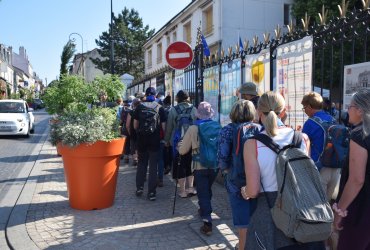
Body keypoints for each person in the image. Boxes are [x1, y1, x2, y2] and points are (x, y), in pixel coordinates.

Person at [241, 91, 312, 249]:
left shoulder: (252, 144)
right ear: (284, 111)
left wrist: (244, 191)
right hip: (299, 211)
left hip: (268, 212)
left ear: (259, 112)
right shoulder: (302, 138)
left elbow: (253, 191)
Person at [217, 100, 261, 250]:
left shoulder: (227, 130)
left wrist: (226, 170)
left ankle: (241, 247)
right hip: (259, 181)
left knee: (242, 223)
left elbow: (222, 158)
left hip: (236, 181)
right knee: (258, 219)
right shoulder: (259, 129)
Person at [334, 88, 370, 250]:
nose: (347, 110)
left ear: (360, 110)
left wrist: (340, 210)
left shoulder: (359, 135)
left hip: (361, 211)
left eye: (350, 106)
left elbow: (356, 180)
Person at [178, 101, 219, 236]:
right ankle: (204, 209)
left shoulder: (193, 128)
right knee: (206, 190)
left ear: (198, 114)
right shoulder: (217, 126)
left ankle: (207, 223)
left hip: (199, 165)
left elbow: (183, 151)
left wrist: (179, 146)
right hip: (214, 165)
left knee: (203, 193)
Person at [301, 92, 339, 202]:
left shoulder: (310, 123)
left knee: (315, 206)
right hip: (335, 167)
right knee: (327, 204)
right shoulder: (332, 119)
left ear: (309, 106)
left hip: (319, 168)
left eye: (304, 108)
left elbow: (303, 146)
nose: (305, 111)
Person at [133, 87, 166, 201]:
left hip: (142, 139)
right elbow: (163, 127)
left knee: (142, 164)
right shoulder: (159, 108)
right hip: (154, 140)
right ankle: (152, 193)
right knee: (153, 167)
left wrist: (139, 133)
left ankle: (139, 188)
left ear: (146, 95)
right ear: (155, 95)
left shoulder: (139, 107)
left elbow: (135, 125)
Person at [164, 90, 197, 198]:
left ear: (177, 98)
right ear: (188, 98)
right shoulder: (194, 109)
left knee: (180, 165)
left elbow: (169, 127)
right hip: (192, 141)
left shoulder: (174, 110)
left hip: (178, 141)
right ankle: (190, 188)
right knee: (190, 164)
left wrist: (167, 140)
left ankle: (182, 191)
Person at [126, 97, 140, 166]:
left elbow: (127, 125)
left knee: (133, 146)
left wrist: (129, 132)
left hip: (133, 131)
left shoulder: (131, 112)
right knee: (138, 145)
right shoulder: (142, 111)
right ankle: (138, 158)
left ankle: (135, 159)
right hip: (140, 131)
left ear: (133, 104)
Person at [162, 95, 173, 175]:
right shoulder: (173, 110)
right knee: (171, 151)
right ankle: (171, 165)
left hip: (165, 132)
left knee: (165, 150)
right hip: (172, 133)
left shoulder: (163, 110)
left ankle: (167, 166)